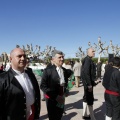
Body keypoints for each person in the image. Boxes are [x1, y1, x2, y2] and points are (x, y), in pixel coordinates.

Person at [0, 48, 40, 120]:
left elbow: (37, 94)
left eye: (24, 56)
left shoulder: (31, 75)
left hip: (32, 114)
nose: (23, 58)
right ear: (11, 59)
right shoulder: (2, 79)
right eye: (19, 56)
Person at [40, 50, 72, 120]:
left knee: (60, 114)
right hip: (51, 99)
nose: (62, 59)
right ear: (53, 59)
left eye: (63, 57)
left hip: (62, 97)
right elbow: (42, 86)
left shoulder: (64, 70)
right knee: (53, 117)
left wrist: (66, 90)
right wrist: (55, 96)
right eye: (59, 57)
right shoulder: (47, 71)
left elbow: (65, 82)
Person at [81, 47, 96, 120]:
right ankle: (92, 117)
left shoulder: (88, 59)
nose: (94, 52)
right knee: (90, 99)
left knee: (86, 98)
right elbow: (86, 73)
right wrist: (89, 84)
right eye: (92, 51)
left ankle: (85, 114)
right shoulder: (87, 60)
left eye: (94, 51)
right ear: (88, 52)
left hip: (87, 83)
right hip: (88, 84)